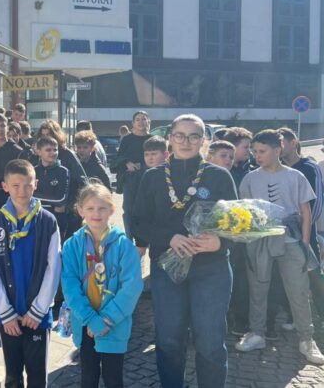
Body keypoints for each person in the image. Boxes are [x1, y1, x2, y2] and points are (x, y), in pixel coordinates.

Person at [132, 114, 237, 387]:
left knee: (210, 343)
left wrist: (220, 242)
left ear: (203, 140)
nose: (186, 141)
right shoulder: (153, 177)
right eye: (180, 135)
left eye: (193, 136)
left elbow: (236, 224)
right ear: (170, 138)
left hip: (211, 269)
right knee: (169, 340)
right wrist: (169, 238)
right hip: (166, 269)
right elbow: (139, 222)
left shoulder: (220, 176)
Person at [234, 130, 324, 364]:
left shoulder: (295, 176)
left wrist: (304, 243)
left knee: (298, 290)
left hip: (291, 239)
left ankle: (306, 339)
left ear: (277, 150)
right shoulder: (250, 179)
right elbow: (243, 211)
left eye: (262, 151)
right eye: (254, 151)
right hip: (260, 240)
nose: (257, 156)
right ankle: (257, 333)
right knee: (258, 288)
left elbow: (305, 212)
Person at [0, 160, 62, 388]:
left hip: (38, 314)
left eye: (27, 185)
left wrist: (39, 309)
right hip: (8, 313)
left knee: (37, 375)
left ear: (36, 184)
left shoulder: (48, 221)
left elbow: (54, 267)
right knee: (13, 375)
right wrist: (5, 312)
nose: (22, 191)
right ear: (5, 186)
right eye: (15, 185)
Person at [62, 182, 143, 388]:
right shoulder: (72, 245)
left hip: (114, 323)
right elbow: (70, 286)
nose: (96, 213)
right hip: (85, 322)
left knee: (113, 378)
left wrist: (107, 318)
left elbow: (132, 287)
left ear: (111, 209)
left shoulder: (124, 246)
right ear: (80, 210)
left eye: (102, 208)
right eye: (90, 208)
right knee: (88, 377)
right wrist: (91, 319)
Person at [278, 127, 324, 333]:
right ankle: (294, 316)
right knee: (288, 276)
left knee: (313, 275)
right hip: (283, 235)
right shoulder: (277, 169)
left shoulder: (308, 167)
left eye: (282, 143)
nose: (279, 148)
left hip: (305, 233)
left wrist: (307, 227)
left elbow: (317, 203)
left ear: (293, 142)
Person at [220, 127, 257, 337]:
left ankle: (241, 320)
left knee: (242, 278)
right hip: (223, 235)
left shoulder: (250, 170)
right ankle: (224, 318)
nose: (249, 151)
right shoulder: (219, 171)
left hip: (244, 235)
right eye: (245, 147)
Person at [37, 120, 87, 240]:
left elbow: (83, 180)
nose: (46, 137)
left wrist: (72, 204)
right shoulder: (38, 157)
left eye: (49, 134)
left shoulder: (66, 154)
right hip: (44, 210)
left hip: (67, 209)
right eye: (43, 135)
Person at [112, 111, 151, 236]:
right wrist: (126, 163)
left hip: (149, 179)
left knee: (147, 209)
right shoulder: (127, 139)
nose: (141, 122)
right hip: (130, 179)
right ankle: (129, 237)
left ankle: (144, 237)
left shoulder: (153, 139)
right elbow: (118, 159)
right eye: (138, 119)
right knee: (129, 210)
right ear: (133, 123)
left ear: (148, 122)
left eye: (144, 119)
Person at [128, 136, 168, 257]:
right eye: (146, 154)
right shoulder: (140, 176)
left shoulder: (172, 175)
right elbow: (137, 209)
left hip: (167, 229)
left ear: (166, 154)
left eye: (154, 154)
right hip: (147, 229)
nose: (150, 158)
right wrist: (140, 240)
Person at [33, 136, 71, 236]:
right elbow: (28, 195)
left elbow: (61, 199)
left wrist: (35, 198)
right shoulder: (33, 171)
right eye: (48, 150)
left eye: (55, 150)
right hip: (36, 218)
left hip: (57, 219)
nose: (53, 153)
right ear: (39, 152)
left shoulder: (63, 171)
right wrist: (52, 203)